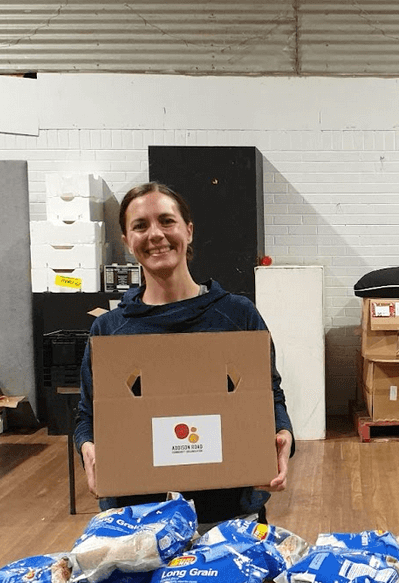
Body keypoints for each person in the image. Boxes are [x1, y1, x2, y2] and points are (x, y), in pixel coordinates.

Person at [75, 182, 294, 524]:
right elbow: (87, 415)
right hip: (139, 518)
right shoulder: (109, 331)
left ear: (188, 231)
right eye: (140, 226)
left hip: (229, 514)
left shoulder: (237, 316)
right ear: (126, 241)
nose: (155, 235)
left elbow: (269, 394)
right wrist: (88, 448)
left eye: (166, 221)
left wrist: (283, 433)